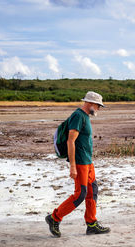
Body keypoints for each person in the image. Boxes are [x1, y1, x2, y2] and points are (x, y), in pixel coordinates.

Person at [45, 91, 110, 237]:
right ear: (90, 103)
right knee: (80, 194)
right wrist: (72, 166)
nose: (99, 109)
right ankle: (54, 218)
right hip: (80, 162)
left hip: (88, 161)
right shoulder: (78, 116)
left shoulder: (85, 116)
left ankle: (92, 224)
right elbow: (70, 141)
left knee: (92, 191)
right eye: (98, 106)